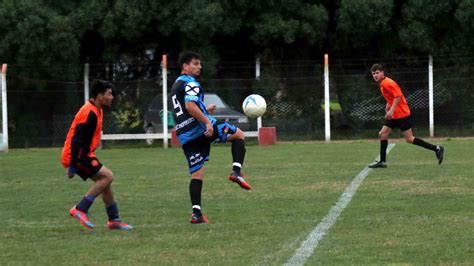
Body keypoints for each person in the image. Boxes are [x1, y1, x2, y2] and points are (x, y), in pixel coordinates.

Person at [170, 51, 251, 224]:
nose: (199, 67)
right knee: (238, 134)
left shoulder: (176, 84)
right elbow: (190, 106)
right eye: (195, 63)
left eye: (200, 64)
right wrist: (207, 121)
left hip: (185, 135)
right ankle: (236, 172)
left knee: (197, 172)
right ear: (185, 66)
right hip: (200, 129)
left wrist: (206, 110)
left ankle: (196, 214)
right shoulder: (191, 83)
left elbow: (186, 109)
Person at [61, 80, 132, 230]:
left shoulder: (97, 109)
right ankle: (80, 209)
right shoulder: (89, 113)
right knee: (108, 176)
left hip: (84, 153)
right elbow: (76, 140)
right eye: (109, 94)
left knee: (104, 182)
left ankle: (114, 220)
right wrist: (73, 165)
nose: (112, 97)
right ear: (99, 96)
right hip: (78, 155)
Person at [368, 64, 444, 168]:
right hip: (394, 114)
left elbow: (398, 96)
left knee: (409, 139)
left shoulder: (388, 83)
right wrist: (388, 106)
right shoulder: (382, 83)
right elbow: (392, 96)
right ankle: (382, 162)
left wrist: (391, 110)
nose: (375, 75)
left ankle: (437, 148)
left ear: (382, 73)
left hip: (402, 114)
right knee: (383, 134)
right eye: (373, 73)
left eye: (377, 73)